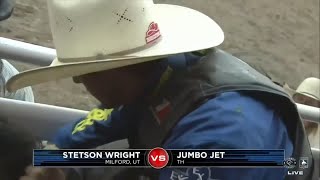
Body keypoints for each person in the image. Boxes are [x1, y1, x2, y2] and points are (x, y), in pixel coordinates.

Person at [5, 0, 314, 180]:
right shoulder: (167, 73)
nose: (77, 82)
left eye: (80, 73)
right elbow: (108, 119)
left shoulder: (216, 141)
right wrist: (55, 159)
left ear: (112, 70)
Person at [293, 77, 320, 149]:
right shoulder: (283, 124)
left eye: (310, 103)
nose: (303, 105)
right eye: (300, 100)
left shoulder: (316, 138)